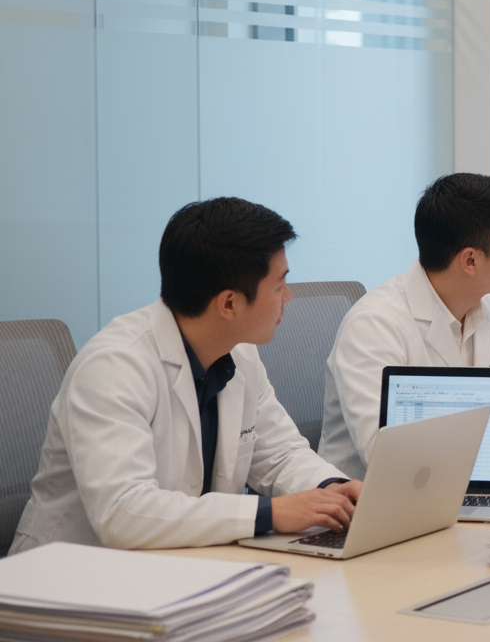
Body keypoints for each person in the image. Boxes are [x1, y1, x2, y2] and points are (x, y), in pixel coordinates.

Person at [10, 199, 360, 553]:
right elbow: (124, 514)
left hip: (182, 565)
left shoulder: (238, 351)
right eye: (279, 285)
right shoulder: (113, 367)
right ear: (229, 303)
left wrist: (332, 488)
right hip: (69, 576)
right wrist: (268, 513)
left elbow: (280, 454)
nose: (288, 296)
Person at [320, 173, 490, 480]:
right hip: (380, 505)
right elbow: (387, 456)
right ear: (470, 261)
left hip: (471, 484)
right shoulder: (374, 326)